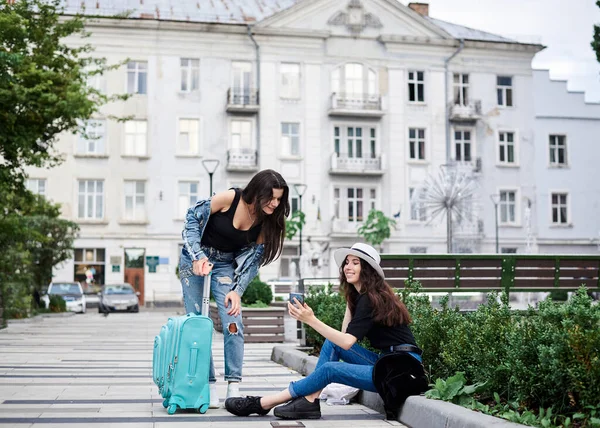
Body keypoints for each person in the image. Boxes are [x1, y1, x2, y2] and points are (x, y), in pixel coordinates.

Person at [225, 242, 426, 420]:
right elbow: (343, 336)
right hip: (387, 362)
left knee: (331, 370)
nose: (348, 267)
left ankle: (264, 403)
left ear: (368, 269)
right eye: (347, 262)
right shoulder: (365, 296)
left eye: (356, 263)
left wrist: (311, 320)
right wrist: (350, 298)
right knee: (332, 344)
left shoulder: (371, 299)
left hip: (401, 372)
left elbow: (347, 341)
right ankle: (310, 401)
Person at [178, 169, 290, 408]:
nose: (275, 203)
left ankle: (233, 384)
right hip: (194, 260)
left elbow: (252, 263)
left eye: (279, 199)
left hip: (223, 267)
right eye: (271, 197)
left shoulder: (265, 222)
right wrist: (197, 257)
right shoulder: (230, 198)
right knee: (199, 322)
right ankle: (208, 383)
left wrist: (237, 291)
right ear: (257, 192)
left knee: (233, 320)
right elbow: (191, 220)